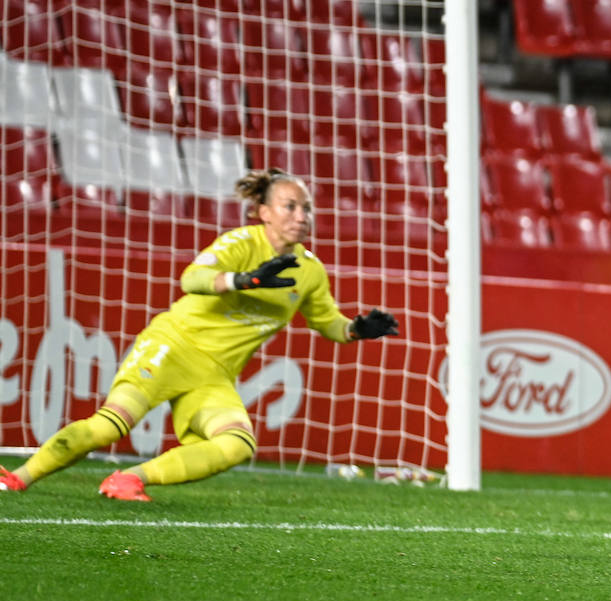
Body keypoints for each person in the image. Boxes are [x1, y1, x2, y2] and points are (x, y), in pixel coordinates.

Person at [0, 168, 399, 501]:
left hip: (213, 376)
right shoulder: (241, 242)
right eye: (290, 206)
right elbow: (193, 277)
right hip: (172, 347)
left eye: (306, 208)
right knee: (111, 425)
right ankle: (18, 476)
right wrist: (244, 279)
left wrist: (357, 329)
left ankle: (130, 478)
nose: (301, 216)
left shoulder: (310, 270)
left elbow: (326, 321)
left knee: (238, 444)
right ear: (264, 212)